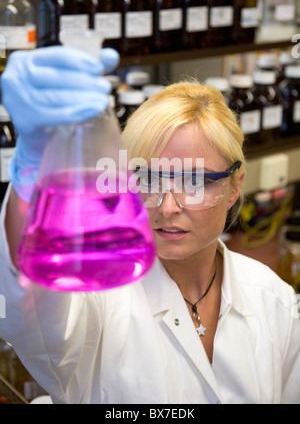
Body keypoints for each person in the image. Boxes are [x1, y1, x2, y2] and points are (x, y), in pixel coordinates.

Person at [0, 46, 299, 404]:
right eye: (148, 179)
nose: (168, 207)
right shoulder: (97, 293)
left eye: (196, 181)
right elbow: (31, 312)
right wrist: (33, 172)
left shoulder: (271, 298)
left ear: (235, 186)